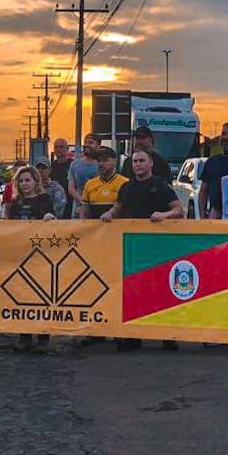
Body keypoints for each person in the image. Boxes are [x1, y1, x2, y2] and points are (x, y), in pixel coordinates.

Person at [101, 148, 184, 351]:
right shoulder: (126, 188)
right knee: (134, 291)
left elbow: (178, 210)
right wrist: (109, 214)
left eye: (141, 160)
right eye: (135, 161)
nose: (138, 164)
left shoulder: (161, 186)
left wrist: (163, 215)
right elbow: (118, 207)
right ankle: (133, 336)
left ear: (150, 164)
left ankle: (167, 335)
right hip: (132, 247)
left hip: (159, 247)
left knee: (161, 290)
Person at [5, 165, 57, 353]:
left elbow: (53, 221)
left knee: (43, 296)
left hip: (40, 255)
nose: (25, 184)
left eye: (28, 180)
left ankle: (43, 337)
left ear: (36, 181)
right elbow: (9, 225)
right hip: (21, 254)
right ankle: (24, 336)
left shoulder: (45, 200)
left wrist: (50, 217)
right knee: (22, 296)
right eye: (21, 180)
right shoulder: (16, 202)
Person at [80, 147, 126, 220]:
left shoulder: (125, 183)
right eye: (98, 161)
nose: (101, 164)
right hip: (95, 229)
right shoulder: (89, 184)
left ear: (114, 161)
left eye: (105, 160)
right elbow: (84, 213)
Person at [66, 133, 101, 219]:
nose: (87, 145)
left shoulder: (101, 164)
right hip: (77, 209)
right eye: (85, 142)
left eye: (91, 142)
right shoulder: (75, 164)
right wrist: (82, 201)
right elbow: (71, 188)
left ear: (98, 146)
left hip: (96, 208)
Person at [50, 137, 73, 215]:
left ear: (67, 148)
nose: (58, 149)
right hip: (56, 204)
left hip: (71, 202)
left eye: (61, 147)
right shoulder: (51, 166)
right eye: (56, 147)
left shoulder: (73, 165)